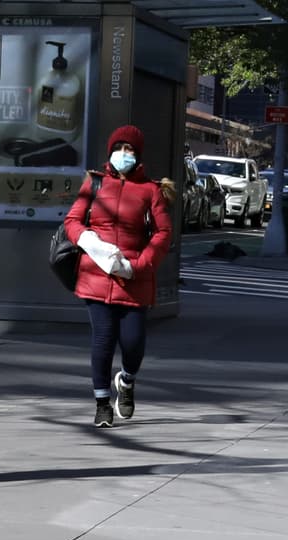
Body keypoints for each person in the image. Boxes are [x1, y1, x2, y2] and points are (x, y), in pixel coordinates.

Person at [64, 124, 174, 428]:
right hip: (95, 275)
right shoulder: (95, 183)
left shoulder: (150, 190)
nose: (123, 154)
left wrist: (138, 264)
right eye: (119, 148)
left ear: (137, 156)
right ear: (110, 152)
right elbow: (73, 221)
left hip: (132, 277)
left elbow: (163, 232)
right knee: (102, 339)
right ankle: (102, 404)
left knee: (133, 342)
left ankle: (126, 381)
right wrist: (89, 242)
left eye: (130, 150)